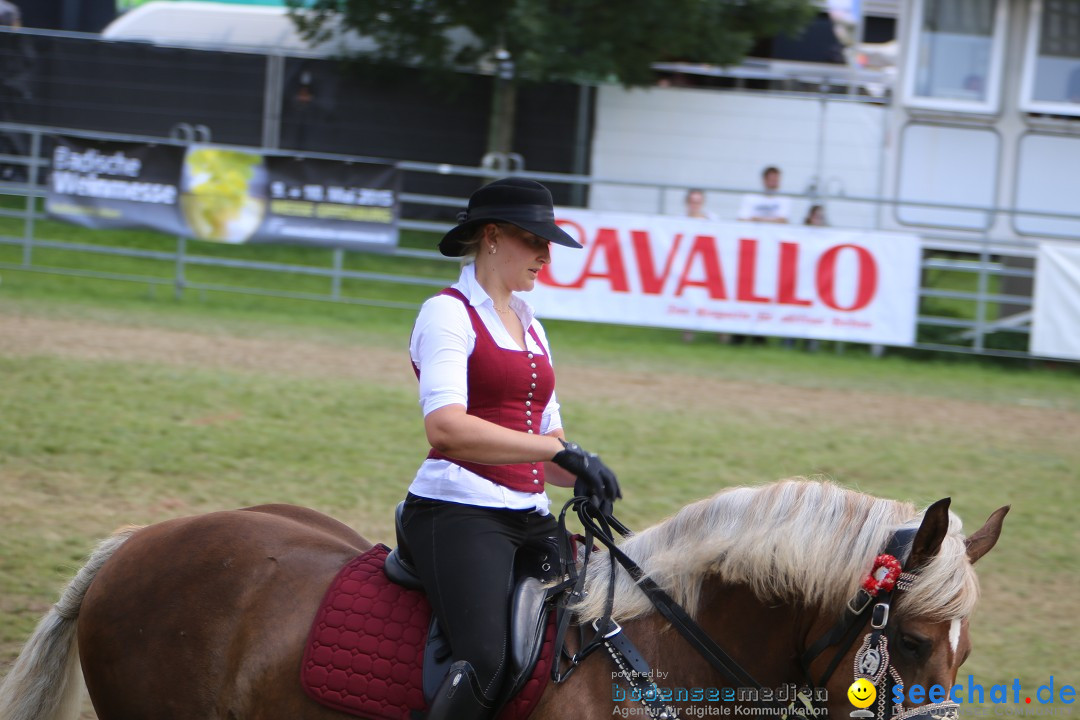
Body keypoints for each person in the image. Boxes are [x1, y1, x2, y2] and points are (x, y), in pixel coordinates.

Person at [403, 177, 622, 720]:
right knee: (486, 659)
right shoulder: (447, 313)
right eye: (536, 241)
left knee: (586, 632)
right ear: (493, 237)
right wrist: (558, 452)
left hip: (529, 514)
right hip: (456, 509)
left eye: (550, 244)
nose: (547, 256)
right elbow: (446, 429)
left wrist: (582, 471)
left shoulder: (533, 328)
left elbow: (548, 444)